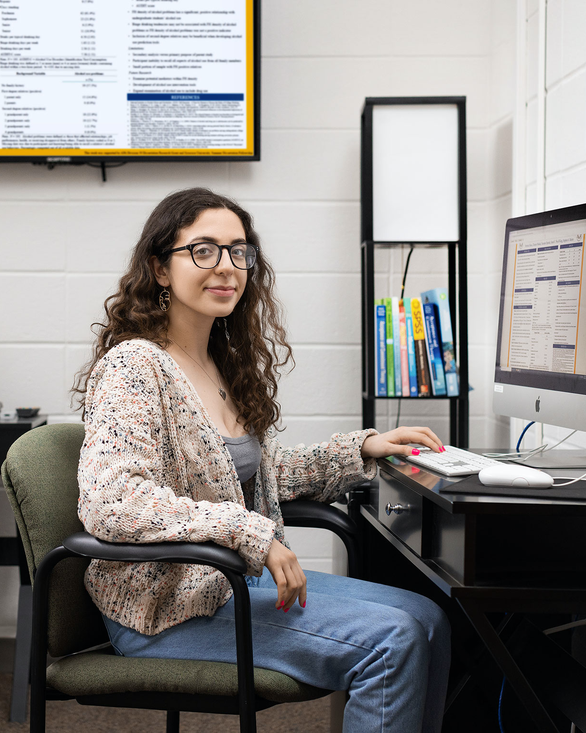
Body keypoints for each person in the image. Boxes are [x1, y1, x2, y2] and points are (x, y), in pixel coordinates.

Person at [73, 188, 451, 732]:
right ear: (160, 268)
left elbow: (251, 477)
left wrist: (359, 448)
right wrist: (249, 534)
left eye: (238, 251)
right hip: (166, 609)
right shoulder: (135, 366)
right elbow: (112, 502)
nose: (226, 267)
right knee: (395, 641)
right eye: (203, 250)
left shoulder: (215, 360)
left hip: (225, 582)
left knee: (430, 618)